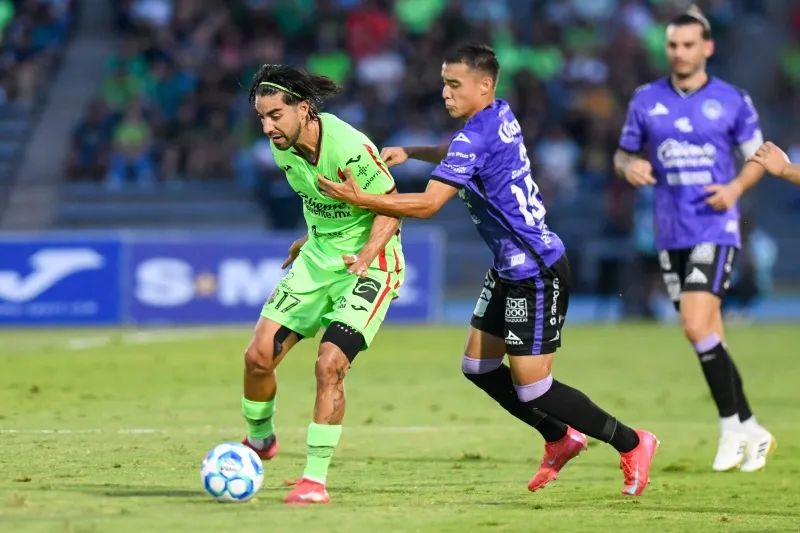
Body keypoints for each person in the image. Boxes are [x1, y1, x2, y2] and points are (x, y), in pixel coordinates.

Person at [318, 43, 659, 497]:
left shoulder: (474, 135)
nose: (444, 92)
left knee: (534, 389)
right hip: (507, 268)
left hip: (536, 272)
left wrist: (359, 198)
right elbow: (460, 150)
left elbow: (427, 204)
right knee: (478, 367)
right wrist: (414, 151)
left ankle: (633, 442)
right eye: (443, 82)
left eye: (454, 84)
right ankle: (560, 438)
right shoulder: (497, 116)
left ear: (485, 85)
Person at [613, 7, 775, 472]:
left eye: (688, 45)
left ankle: (730, 426)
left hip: (714, 227)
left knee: (691, 323)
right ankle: (751, 427)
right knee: (708, 332)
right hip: (670, 231)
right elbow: (622, 157)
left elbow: (758, 157)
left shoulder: (732, 99)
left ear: (707, 48)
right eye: (673, 46)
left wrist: (735, 188)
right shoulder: (646, 100)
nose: (680, 53)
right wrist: (631, 167)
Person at [240, 64, 405, 505]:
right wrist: (306, 242)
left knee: (329, 364)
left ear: (305, 108)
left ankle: (314, 480)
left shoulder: (349, 147)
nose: (267, 126)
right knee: (257, 358)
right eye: (261, 117)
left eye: (275, 115)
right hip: (317, 260)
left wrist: (368, 256)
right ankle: (260, 441)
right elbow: (320, 204)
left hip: (370, 263)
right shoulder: (283, 149)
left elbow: (390, 206)